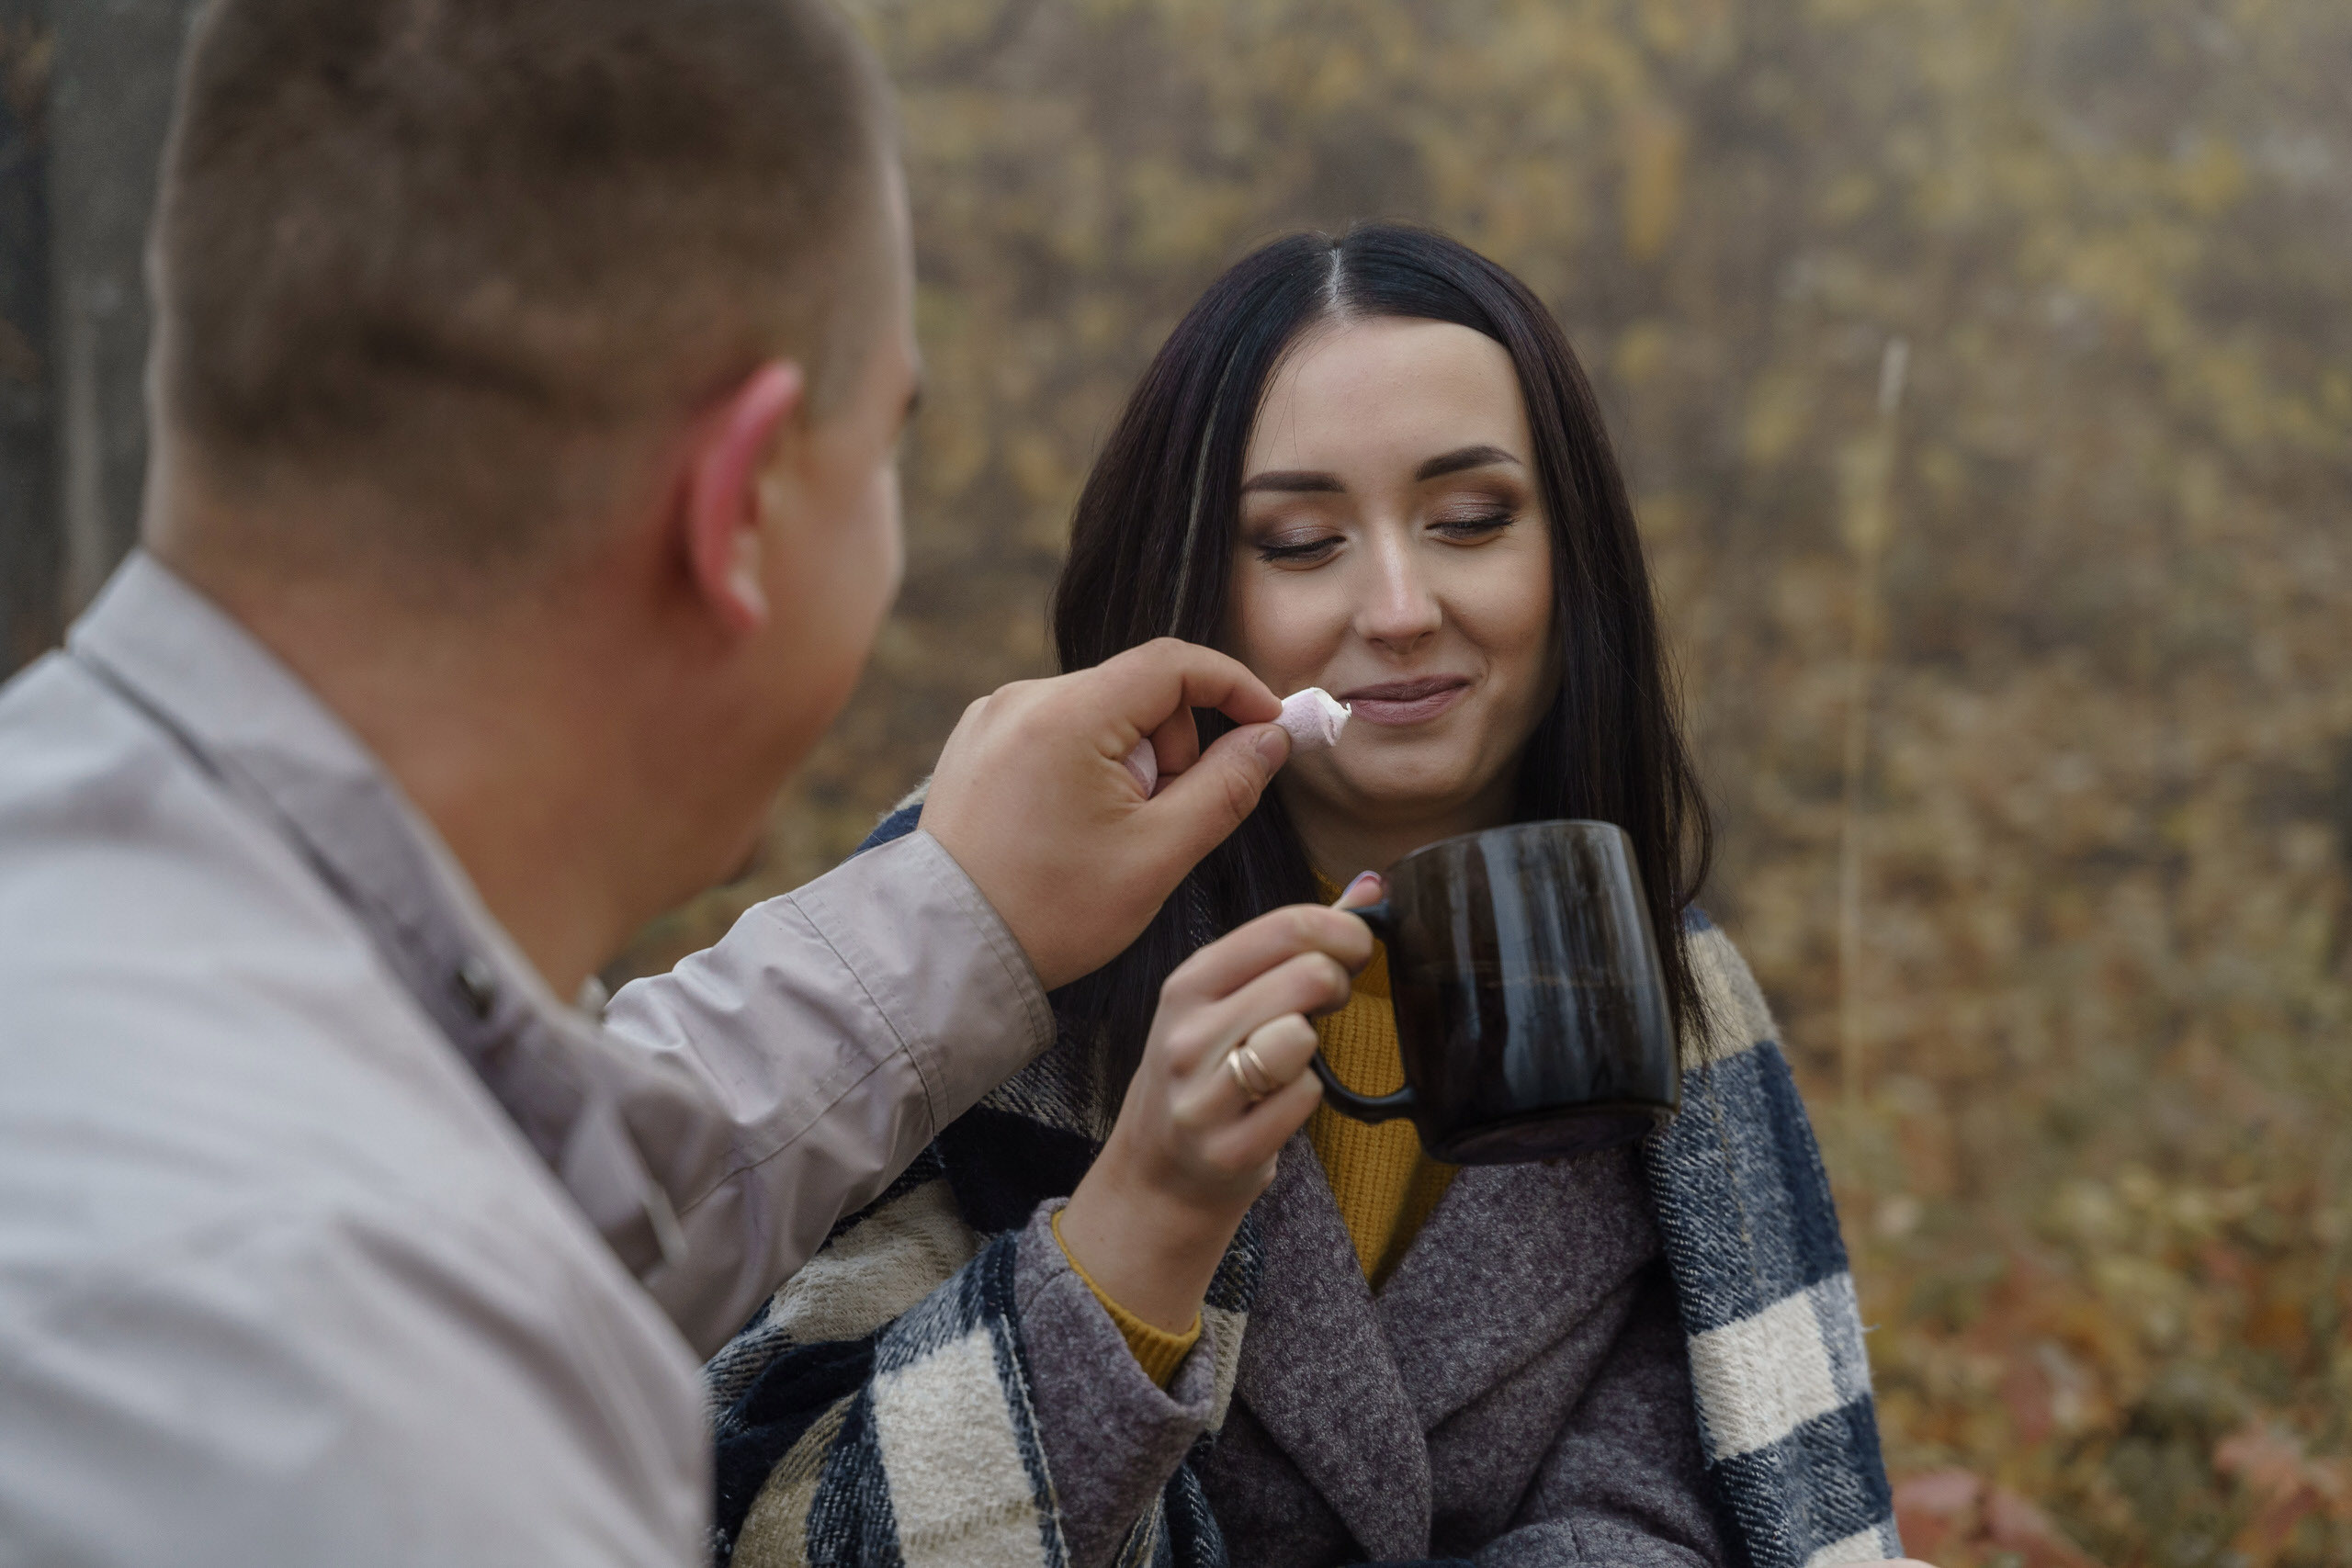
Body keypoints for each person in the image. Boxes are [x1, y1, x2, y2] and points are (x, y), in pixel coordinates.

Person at [0, 3, 1375, 1562]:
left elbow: (527, 1169)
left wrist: (952, 917)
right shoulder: (366, 1420)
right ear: (743, 507)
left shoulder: (125, 948)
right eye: (884, 453)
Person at [705, 225, 1927, 1568]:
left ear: (1571, 561)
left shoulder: (1677, 1009)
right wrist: (1142, 1228)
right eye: (1299, 541)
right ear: (1193, 586)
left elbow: (1680, 1519)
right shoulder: (980, 949)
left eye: (1472, 521)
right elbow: (778, 1531)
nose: (1401, 606)